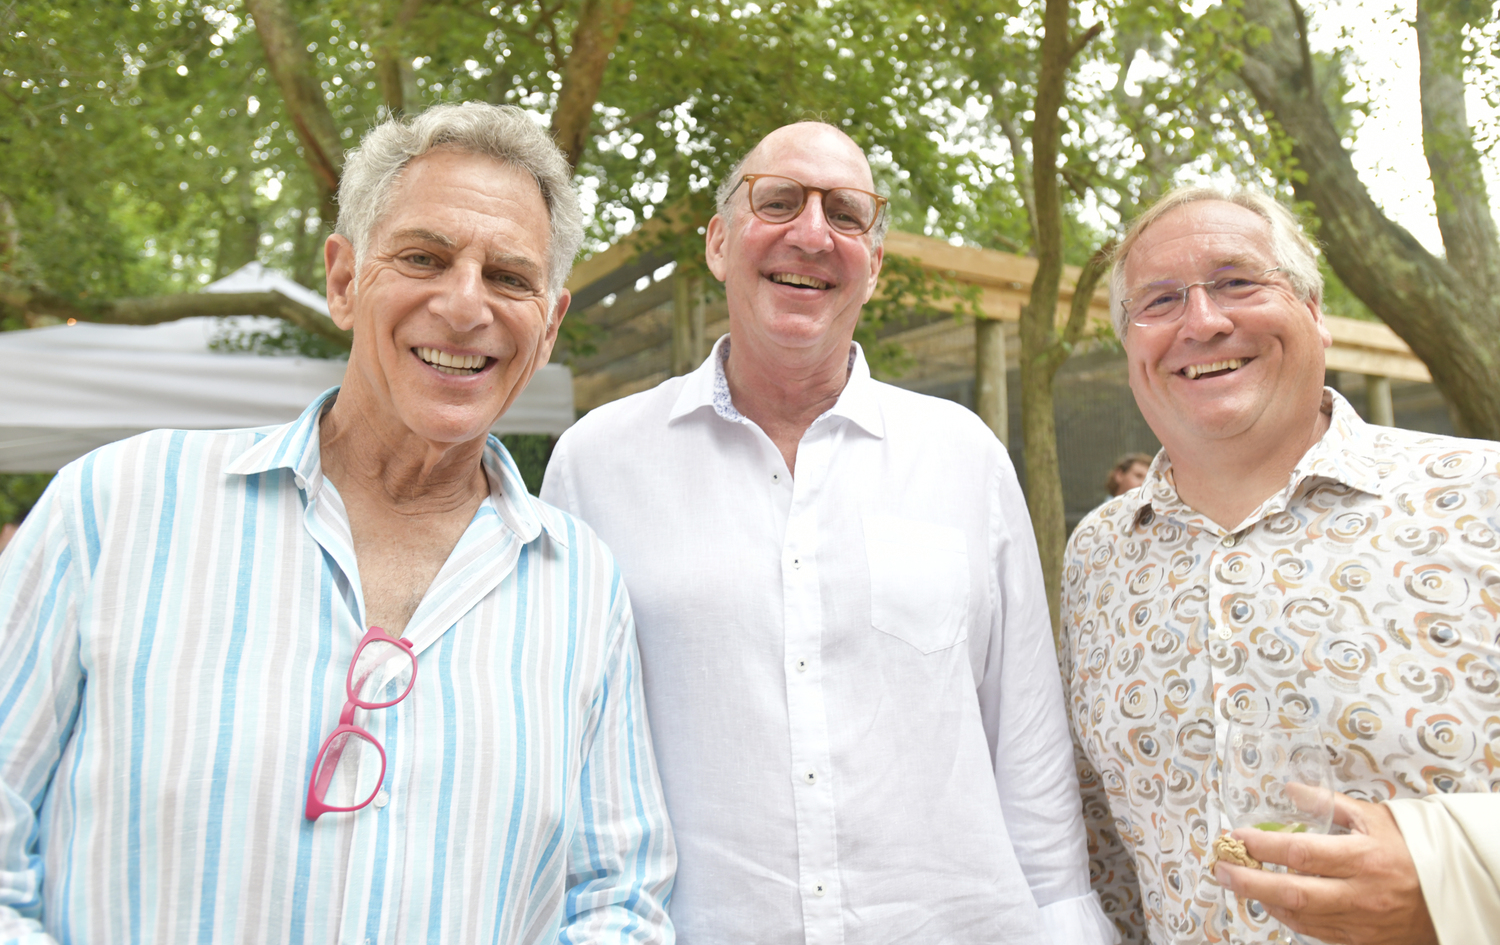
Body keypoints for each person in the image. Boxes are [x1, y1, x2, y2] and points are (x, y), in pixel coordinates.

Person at [0, 103, 675, 944]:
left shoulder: (582, 589)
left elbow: (618, 897)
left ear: (548, 327)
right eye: (424, 257)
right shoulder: (115, 507)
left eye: (509, 277)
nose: (466, 306)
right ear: (344, 279)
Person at [542, 122, 1115, 943]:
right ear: (717, 243)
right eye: (777, 201)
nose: (811, 234)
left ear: (874, 265)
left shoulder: (965, 459)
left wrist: (1066, 923)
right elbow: (571, 757)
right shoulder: (596, 465)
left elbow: (1025, 738)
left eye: (847, 214)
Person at [1061, 186, 1500, 945]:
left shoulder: (1480, 499)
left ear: (1315, 309)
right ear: (1130, 345)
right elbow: (1102, 842)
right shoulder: (1096, 556)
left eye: (1237, 281)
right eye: (1160, 300)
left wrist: (1452, 875)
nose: (1203, 321)